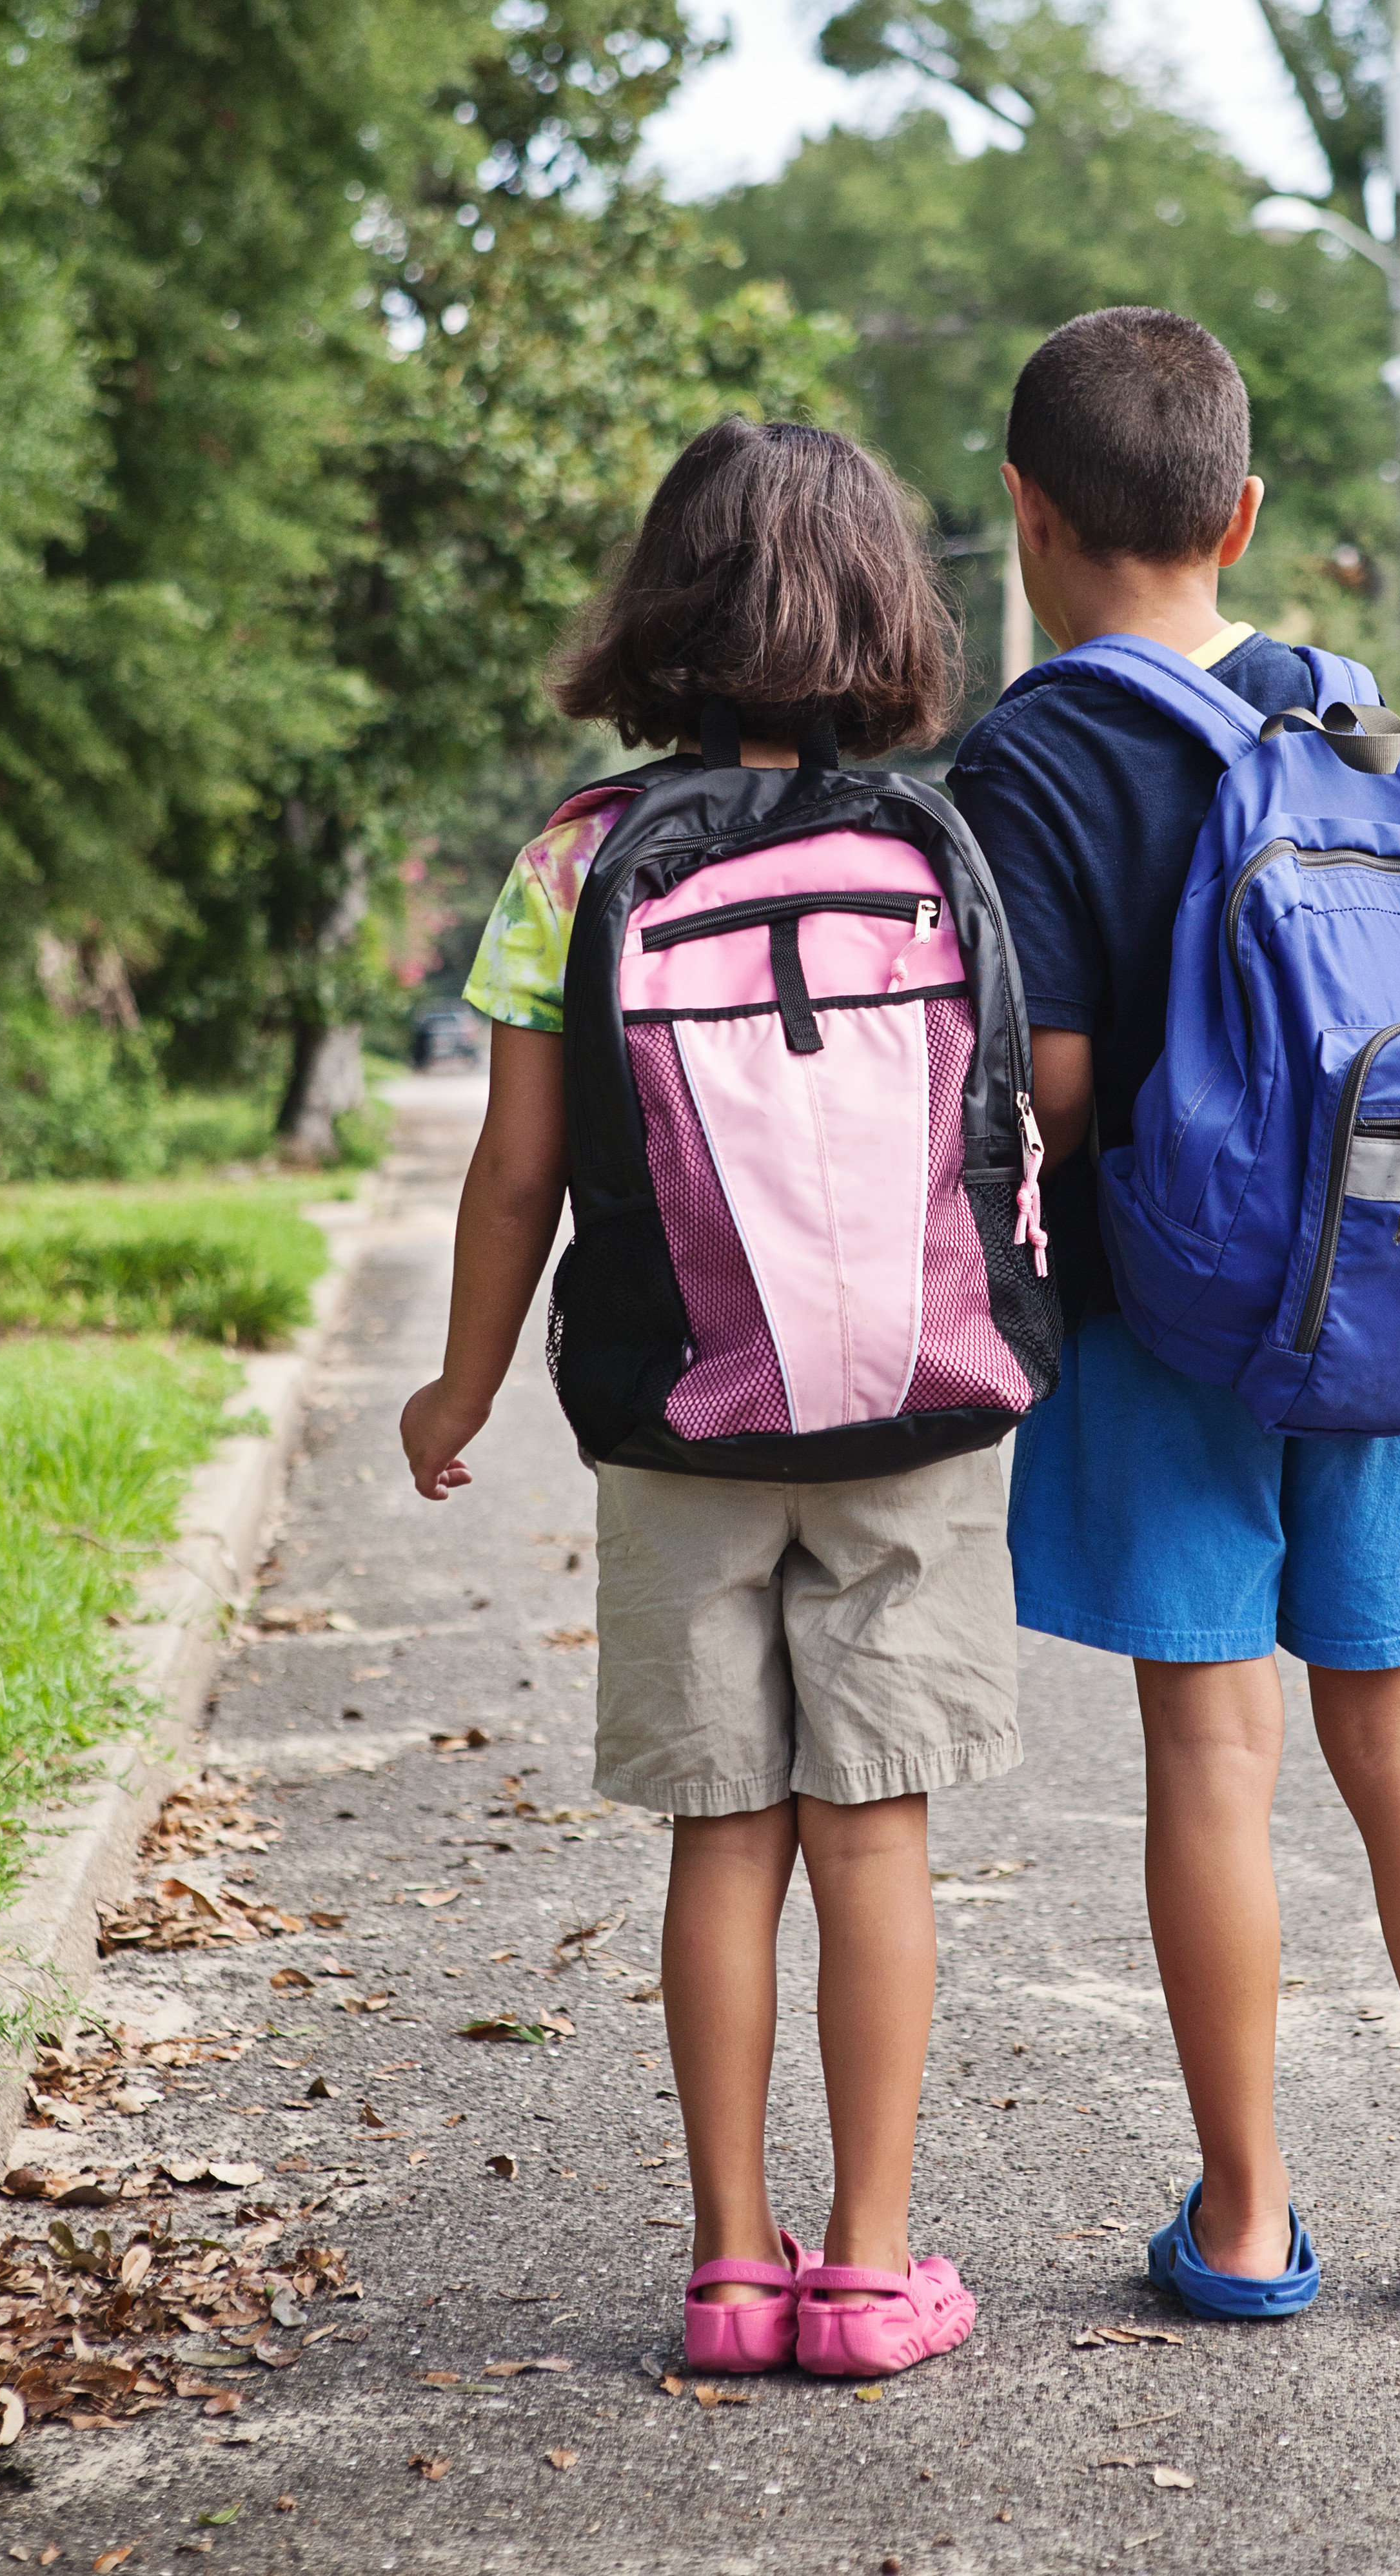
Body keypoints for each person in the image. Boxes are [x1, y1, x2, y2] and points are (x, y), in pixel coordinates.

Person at [948, 307, 1400, 2321]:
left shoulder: (1030, 752)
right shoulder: (1343, 707)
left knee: (1211, 1750)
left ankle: (1242, 2215)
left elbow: (1047, 1085)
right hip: (1377, 1302)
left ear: (1029, 516)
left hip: (1163, 1313)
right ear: (1240, 512)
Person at [398, 418, 1018, 2379]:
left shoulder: (579, 852)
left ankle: (735, 2265)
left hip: (680, 1408)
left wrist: (460, 1383)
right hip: (913, 1410)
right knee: (878, 1825)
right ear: (885, 614)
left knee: (721, 1830)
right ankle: (875, 2265)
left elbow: (516, 1171)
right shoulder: (937, 842)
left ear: (660, 606)